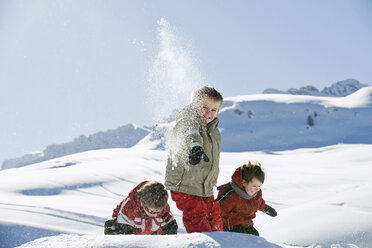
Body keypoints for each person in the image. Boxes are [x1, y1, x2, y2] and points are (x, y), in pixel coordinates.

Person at [165, 86, 224, 233]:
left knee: (214, 215)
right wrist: (195, 147)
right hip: (185, 184)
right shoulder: (187, 119)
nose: (208, 113)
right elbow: (190, 134)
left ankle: (219, 241)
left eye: (213, 110)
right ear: (194, 105)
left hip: (204, 187)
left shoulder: (214, 132)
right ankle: (203, 242)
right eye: (204, 107)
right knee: (197, 215)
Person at [216, 161, 277, 236]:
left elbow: (259, 202)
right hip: (230, 227)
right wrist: (218, 228)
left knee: (255, 235)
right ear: (244, 182)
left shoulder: (255, 194)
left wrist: (266, 208)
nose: (257, 189)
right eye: (254, 186)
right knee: (243, 238)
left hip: (246, 225)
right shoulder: (231, 195)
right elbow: (217, 210)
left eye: (259, 186)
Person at [104, 180, 177, 235]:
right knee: (112, 227)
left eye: (159, 212)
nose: (155, 215)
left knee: (171, 226)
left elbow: (170, 229)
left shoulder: (162, 207)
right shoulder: (129, 209)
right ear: (143, 204)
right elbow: (125, 236)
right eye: (152, 212)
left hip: (152, 233)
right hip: (128, 228)